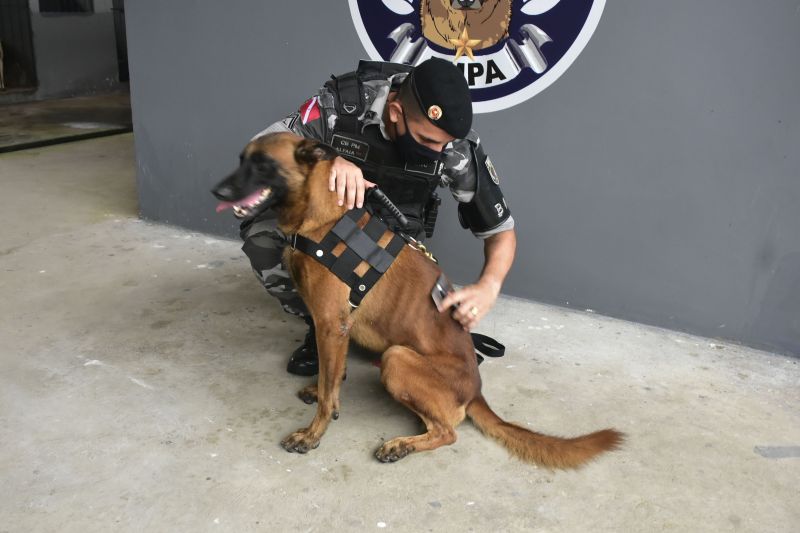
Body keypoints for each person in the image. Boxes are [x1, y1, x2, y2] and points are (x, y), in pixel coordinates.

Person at [239, 57, 516, 376]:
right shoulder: (342, 108)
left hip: (393, 246)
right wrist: (328, 159)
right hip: (327, 230)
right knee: (264, 230)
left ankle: (379, 332)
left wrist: (489, 285)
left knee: (420, 326)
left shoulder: (455, 146)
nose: (438, 152)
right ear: (396, 113)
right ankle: (321, 327)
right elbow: (259, 149)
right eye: (426, 141)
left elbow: (501, 232)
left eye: (444, 144)